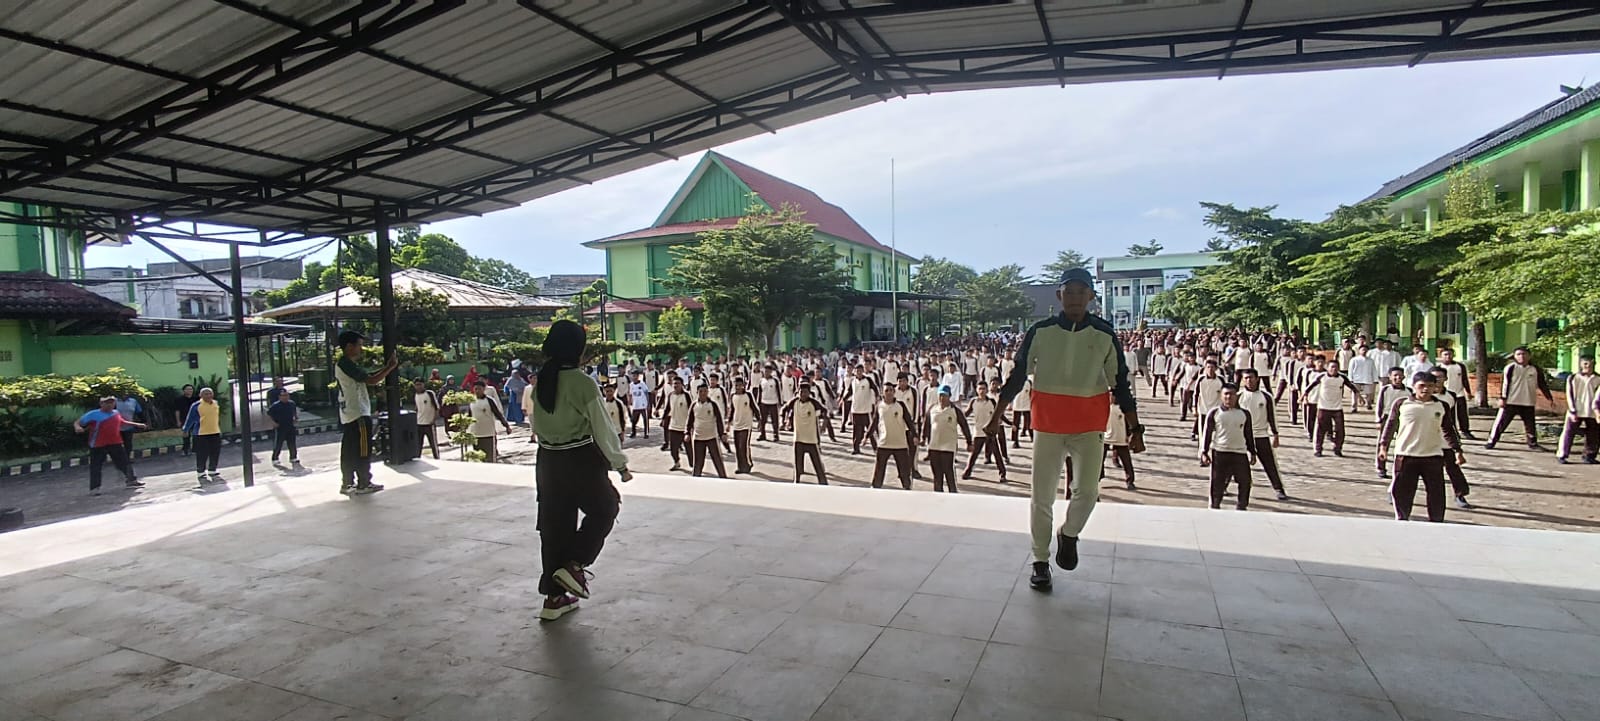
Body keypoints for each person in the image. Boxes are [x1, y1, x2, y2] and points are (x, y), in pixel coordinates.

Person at [992, 267, 1141, 592]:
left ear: (1091, 296)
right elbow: (1018, 375)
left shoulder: (1104, 333)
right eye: (1069, 292)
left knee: (1087, 492)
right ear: (1059, 296)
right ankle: (1040, 561)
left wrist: (1135, 426)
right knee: (1041, 497)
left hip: (1089, 425)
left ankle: (1069, 533)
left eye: (1081, 292)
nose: (1075, 298)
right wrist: (996, 415)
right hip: (1047, 424)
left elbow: (1120, 382)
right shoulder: (1041, 331)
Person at [530, 320, 632, 622]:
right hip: (578, 457)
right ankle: (574, 565)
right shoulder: (582, 382)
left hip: (547, 461)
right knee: (605, 508)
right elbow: (603, 427)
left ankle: (554, 598)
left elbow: (538, 425)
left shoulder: (543, 379)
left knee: (554, 527)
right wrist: (620, 463)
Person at [1379, 372, 1466, 523]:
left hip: (1432, 455)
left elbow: (1448, 429)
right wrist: (1383, 447)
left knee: (1436, 493)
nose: (1426, 389)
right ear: (1414, 387)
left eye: (1430, 386)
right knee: (1403, 492)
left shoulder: (1441, 405)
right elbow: (1390, 426)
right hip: (1406, 455)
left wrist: (1457, 450)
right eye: (1422, 386)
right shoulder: (1402, 404)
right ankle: (1402, 519)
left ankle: (1437, 522)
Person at [333, 330, 398, 495]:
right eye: (359, 345)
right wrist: (390, 368)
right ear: (349, 346)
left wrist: (385, 368)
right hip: (358, 413)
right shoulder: (346, 364)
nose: (361, 349)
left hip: (349, 413)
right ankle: (364, 482)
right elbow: (371, 380)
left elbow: (367, 376)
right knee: (363, 449)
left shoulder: (346, 365)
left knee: (349, 450)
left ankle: (348, 483)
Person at [1200, 384, 1257, 510]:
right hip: (1220, 451)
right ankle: (1215, 506)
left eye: (1231, 394)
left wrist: (1252, 452)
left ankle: (1242, 507)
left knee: (1245, 481)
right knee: (1217, 483)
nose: (1228, 397)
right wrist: (1204, 452)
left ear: (1236, 396)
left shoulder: (1244, 414)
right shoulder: (1215, 413)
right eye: (1226, 394)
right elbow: (1207, 433)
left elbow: (1248, 434)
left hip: (1239, 452)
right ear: (1221, 396)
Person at [1485, 346, 1554, 451]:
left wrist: (1549, 398)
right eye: (1518, 354)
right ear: (1515, 356)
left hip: (1528, 401)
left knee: (1530, 425)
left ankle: (1533, 443)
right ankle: (1491, 441)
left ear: (1529, 356)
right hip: (1511, 401)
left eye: (1524, 354)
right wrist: (1502, 398)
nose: (1522, 356)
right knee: (1501, 423)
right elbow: (1505, 384)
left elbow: (1542, 384)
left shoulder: (1535, 369)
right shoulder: (1510, 368)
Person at [75, 396, 145, 495]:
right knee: (96, 466)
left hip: (115, 442)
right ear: (101, 404)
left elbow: (122, 422)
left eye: (111, 403)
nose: (109, 405)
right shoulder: (93, 414)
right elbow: (78, 422)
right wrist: (78, 428)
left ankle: (131, 480)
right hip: (98, 444)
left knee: (125, 462)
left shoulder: (115, 413)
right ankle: (94, 488)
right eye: (106, 403)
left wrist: (136, 424)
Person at [1429, 367, 1475, 509]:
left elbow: (1451, 420)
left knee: (1453, 468)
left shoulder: (1450, 396)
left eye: (1440, 377)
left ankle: (1460, 494)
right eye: (1434, 378)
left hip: (1445, 438)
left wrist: (1456, 443)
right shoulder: (1421, 396)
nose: (1437, 381)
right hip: (1426, 439)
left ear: (1446, 379)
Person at [1310, 359, 1363, 457]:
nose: (1334, 369)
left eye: (1336, 367)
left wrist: (1359, 397)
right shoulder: (1322, 377)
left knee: (1340, 430)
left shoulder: (1342, 378)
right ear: (1328, 368)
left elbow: (1352, 387)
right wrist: (1303, 397)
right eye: (1332, 367)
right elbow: (1310, 386)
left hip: (1337, 408)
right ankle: (1318, 449)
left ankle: (1338, 448)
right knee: (1320, 430)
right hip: (1323, 407)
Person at [925, 385, 972, 493]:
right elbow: (926, 425)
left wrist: (969, 442)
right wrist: (923, 438)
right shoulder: (932, 409)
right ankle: (938, 495)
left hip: (948, 446)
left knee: (948, 472)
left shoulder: (955, 411)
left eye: (945, 396)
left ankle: (953, 494)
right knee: (937, 475)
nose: (942, 398)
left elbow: (964, 426)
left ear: (949, 396)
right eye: (940, 395)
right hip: (934, 446)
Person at [870, 384, 916, 490]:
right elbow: (874, 422)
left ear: (894, 392)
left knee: (904, 470)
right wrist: (867, 436)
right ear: (883, 393)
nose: (889, 392)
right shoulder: (879, 406)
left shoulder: (900, 405)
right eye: (886, 390)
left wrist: (915, 435)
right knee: (879, 469)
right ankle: (876, 487)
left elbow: (909, 421)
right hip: (884, 442)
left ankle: (907, 487)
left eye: (891, 390)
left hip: (900, 443)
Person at [784, 383, 830, 484]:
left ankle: (823, 483)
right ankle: (797, 481)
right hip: (798, 438)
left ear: (809, 393)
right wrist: (786, 420)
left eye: (805, 392)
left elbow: (825, 412)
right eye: (801, 392)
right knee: (798, 464)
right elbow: (784, 409)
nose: (802, 394)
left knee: (817, 465)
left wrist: (824, 425)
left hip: (811, 439)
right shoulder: (794, 402)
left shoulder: (813, 403)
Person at [961, 381, 1007, 482]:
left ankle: (1002, 474)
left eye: (983, 389)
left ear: (987, 390)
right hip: (978, 432)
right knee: (974, 454)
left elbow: (999, 414)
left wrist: (1009, 422)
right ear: (977, 390)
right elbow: (965, 414)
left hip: (989, 432)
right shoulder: (973, 402)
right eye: (979, 389)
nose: (981, 391)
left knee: (996, 454)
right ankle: (967, 471)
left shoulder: (991, 402)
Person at [1558, 355, 1599, 464]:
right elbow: (1570, 394)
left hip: (1592, 412)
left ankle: (1589, 455)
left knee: (1593, 434)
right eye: (1585, 364)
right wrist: (1572, 410)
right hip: (1576, 410)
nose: (1588, 366)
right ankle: (1563, 454)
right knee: (1569, 432)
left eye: (1590, 364)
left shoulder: (1598, 379)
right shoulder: (1573, 378)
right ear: (1581, 364)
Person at [182, 387, 225, 485]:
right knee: (202, 454)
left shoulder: (216, 403)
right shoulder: (196, 405)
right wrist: (186, 429)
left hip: (215, 432)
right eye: (205, 394)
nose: (208, 395)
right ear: (200, 395)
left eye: (210, 393)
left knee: (215, 452)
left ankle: (212, 470)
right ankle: (201, 472)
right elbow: (190, 419)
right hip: (201, 433)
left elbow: (216, 418)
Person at [1372, 367, 1408, 479]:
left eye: (1400, 375)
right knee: (1383, 443)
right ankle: (1381, 467)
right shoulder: (1385, 389)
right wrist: (1378, 419)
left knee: (1404, 443)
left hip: (1403, 419)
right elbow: (1379, 405)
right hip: (1387, 418)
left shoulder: (1408, 391)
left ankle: (1403, 469)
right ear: (1390, 377)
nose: (1398, 378)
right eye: (1395, 375)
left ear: (1404, 376)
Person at [688, 385, 729, 478]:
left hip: (711, 437)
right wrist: (686, 433)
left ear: (707, 392)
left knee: (718, 461)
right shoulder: (694, 405)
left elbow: (719, 420)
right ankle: (695, 480)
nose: (703, 393)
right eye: (700, 391)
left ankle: (724, 479)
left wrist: (722, 434)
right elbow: (689, 421)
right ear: (697, 393)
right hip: (698, 438)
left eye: (705, 391)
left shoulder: (713, 405)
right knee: (698, 463)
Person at [1435, 347, 1474, 439]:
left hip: (1459, 393)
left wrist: (1468, 392)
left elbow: (1464, 379)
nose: (1448, 356)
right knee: (1450, 415)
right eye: (1445, 354)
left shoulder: (1460, 366)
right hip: (1446, 394)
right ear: (1441, 356)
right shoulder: (1439, 368)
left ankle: (1465, 430)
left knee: (1462, 413)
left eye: (1450, 354)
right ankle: (1453, 431)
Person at [469, 379, 512, 462]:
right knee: (478, 457)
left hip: (488, 433)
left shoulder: (489, 400)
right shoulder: (471, 401)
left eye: (479, 389)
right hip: (476, 433)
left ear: (484, 389)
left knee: (489, 457)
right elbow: (469, 416)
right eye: (475, 389)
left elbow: (498, 414)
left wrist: (506, 426)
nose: (477, 391)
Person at [843, 365, 880, 455]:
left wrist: (877, 398)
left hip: (866, 409)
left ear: (862, 371)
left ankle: (876, 448)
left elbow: (875, 389)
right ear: (855, 372)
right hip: (855, 409)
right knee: (856, 431)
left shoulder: (868, 380)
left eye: (860, 371)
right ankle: (856, 448)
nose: (858, 373)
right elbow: (849, 392)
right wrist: (843, 399)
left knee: (870, 430)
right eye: (857, 371)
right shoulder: (853, 381)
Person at [659, 375, 692, 471]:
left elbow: (691, 410)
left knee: (689, 449)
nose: (675, 386)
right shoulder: (671, 395)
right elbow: (667, 408)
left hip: (685, 427)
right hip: (673, 426)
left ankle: (693, 464)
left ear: (682, 385)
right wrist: (663, 419)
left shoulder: (686, 396)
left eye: (677, 384)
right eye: (674, 384)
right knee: (673, 449)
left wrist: (691, 425)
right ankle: (676, 462)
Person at [1102, 395, 1135, 490]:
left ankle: (1130, 480)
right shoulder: (1105, 406)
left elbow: (1130, 422)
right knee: (1099, 459)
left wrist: (1129, 435)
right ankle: (1098, 476)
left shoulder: (1124, 408)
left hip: (1121, 437)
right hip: (1106, 436)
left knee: (1126, 460)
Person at [267, 388, 300, 465]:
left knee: (292, 443)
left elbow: (294, 412)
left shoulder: (292, 403)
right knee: (278, 443)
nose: (285, 397)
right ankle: (275, 458)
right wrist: (273, 422)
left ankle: (293, 457)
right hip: (280, 426)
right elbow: (269, 414)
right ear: (280, 397)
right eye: (283, 396)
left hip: (290, 425)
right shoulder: (276, 405)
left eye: (287, 395)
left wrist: (295, 418)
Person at [413, 378, 442, 460]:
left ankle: (437, 458)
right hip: (419, 423)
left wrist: (433, 420)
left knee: (433, 444)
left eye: (420, 384)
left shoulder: (429, 393)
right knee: (418, 444)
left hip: (429, 423)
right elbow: (417, 408)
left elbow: (437, 408)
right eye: (416, 385)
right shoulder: (415, 395)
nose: (418, 387)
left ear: (423, 384)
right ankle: (417, 458)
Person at [115, 393, 144, 470]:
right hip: (115, 427)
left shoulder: (133, 401)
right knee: (117, 444)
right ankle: (119, 459)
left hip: (129, 426)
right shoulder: (114, 401)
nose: (124, 394)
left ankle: (127, 459)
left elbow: (139, 412)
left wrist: (142, 422)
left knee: (128, 443)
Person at [755, 367, 782, 441]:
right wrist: (758, 402)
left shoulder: (775, 380)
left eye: (768, 371)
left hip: (773, 402)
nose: (767, 373)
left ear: (771, 372)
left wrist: (780, 402)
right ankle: (762, 434)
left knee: (774, 420)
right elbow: (760, 392)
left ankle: (776, 435)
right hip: (764, 402)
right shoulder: (761, 380)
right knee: (763, 420)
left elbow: (779, 391)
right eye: (765, 371)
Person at [1009, 373, 1034, 449]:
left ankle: (1032, 438)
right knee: (1015, 424)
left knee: (1029, 422)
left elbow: (1031, 393)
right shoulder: (1014, 382)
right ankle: (1015, 441)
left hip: (1027, 405)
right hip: (1017, 404)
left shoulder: (1028, 382)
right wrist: (1010, 403)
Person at [627, 371, 651, 438]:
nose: (634, 377)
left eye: (635, 376)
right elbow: (630, 394)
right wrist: (629, 403)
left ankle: (646, 433)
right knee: (634, 420)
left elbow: (646, 393)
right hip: (635, 405)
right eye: (633, 376)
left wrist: (648, 403)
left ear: (638, 376)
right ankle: (633, 432)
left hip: (642, 404)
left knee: (645, 419)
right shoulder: (631, 385)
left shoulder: (642, 384)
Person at [175, 384, 195, 456]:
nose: (190, 391)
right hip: (184, 420)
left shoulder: (195, 399)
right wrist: (178, 421)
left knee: (195, 435)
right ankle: (185, 450)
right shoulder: (180, 400)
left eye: (191, 389)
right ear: (184, 391)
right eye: (188, 389)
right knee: (186, 435)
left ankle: (194, 450)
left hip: (195, 419)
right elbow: (177, 411)